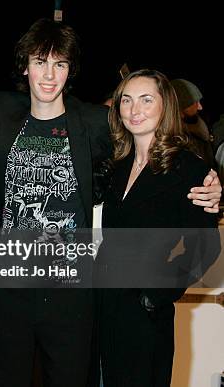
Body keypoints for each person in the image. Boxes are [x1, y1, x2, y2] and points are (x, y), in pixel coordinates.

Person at [0, 18, 221, 387]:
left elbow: (147, 138)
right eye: (40, 62)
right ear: (25, 66)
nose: (49, 74)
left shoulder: (93, 122)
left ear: (70, 70)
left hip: (70, 288)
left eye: (60, 63)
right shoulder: (0, 109)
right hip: (7, 283)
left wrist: (208, 178)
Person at [96, 69, 220, 386]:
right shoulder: (116, 165)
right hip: (104, 308)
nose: (135, 110)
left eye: (146, 100)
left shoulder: (188, 167)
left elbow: (205, 245)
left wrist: (157, 294)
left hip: (146, 314)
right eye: (127, 100)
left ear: (165, 106)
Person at [171, 78, 214, 166]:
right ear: (181, 107)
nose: (200, 107)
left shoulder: (200, 128)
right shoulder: (176, 142)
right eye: (195, 103)